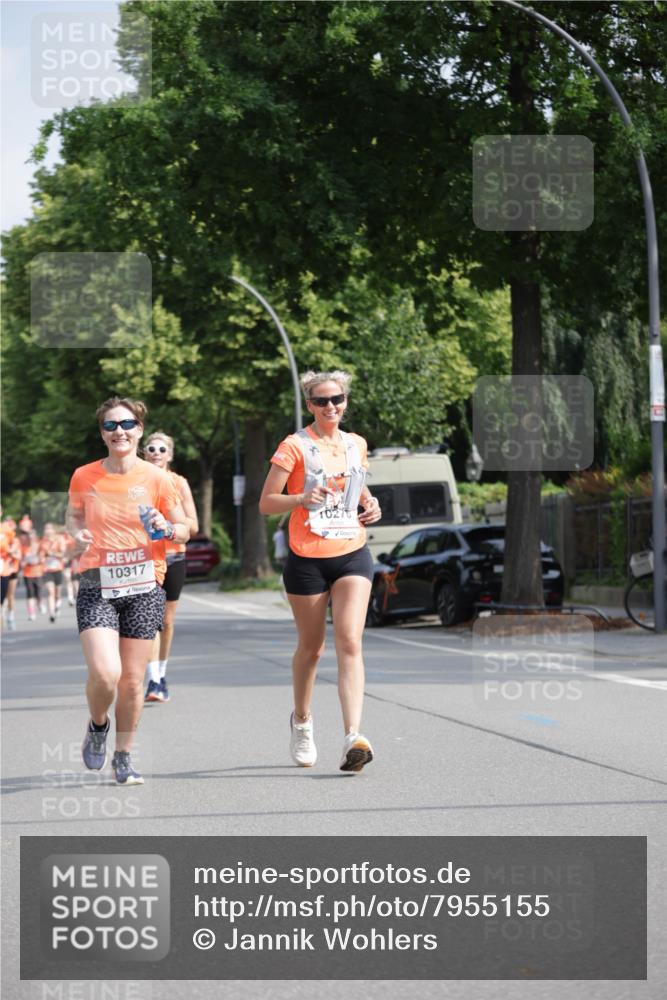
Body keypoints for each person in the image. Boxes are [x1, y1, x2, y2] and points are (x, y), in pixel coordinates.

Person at [259, 369, 382, 772]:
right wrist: (301, 497)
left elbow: (356, 487)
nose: (331, 407)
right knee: (313, 649)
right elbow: (266, 503)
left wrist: (370, 502)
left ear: (345, 401)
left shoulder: (356, 444)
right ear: (310, 405)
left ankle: (353, 736)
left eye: (338, 399)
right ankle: (302, 721)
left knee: (350, 640)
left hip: (352, 551)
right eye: (322, 401)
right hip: (307, 557)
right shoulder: (294, 447)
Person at [66, 396, 188, 785]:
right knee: (105, 674)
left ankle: (123, 755)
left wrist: (167, 529)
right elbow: (72, 515)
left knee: (133, 681)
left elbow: (183, 527)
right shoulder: (84, 476)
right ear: (102, 433)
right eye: (110, 426)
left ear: (138, 429)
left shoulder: (159, 479)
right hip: (97, 582)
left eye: (127, 424)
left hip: (144, 584)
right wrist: (76, 533)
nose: (119, 431)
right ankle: (98, 725)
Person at [141, 431, 199, 703]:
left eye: (162, 449)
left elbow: (193, 526)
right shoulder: (136, 483)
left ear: (170, 455)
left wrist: (168, 524)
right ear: (144, 453)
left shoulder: (178, 483)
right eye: (151, 448)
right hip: (144, 558)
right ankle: (153, 681)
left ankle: (161, 673)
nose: (156, 453)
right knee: (151, 620)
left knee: (166, 620)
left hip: (174, 555)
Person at [40, 522, 66, 623]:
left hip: (58, 569)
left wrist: (53, 554)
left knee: (57, 593)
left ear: (54, 530)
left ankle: (56, 606)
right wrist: (42, 558)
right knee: (50, 592)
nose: (47, 531)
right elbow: (41, 555)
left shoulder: (59, 539)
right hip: (47, 570)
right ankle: (52, 613)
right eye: (46, 529)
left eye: (49, 529)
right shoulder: (43, 541)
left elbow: (63, 554)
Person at [22, 530, 44, 621]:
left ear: (35, 537)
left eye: (32, 536)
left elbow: (42, 559)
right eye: (29, 536)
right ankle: (31, 613)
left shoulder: (39, 546)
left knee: (38, 593)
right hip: (27, 573)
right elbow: (21, 562)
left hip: (38, 572)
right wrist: (26, 561)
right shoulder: (24, 548)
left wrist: (37, 559)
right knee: (30, 594)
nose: (30, 538)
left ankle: (40, 604)